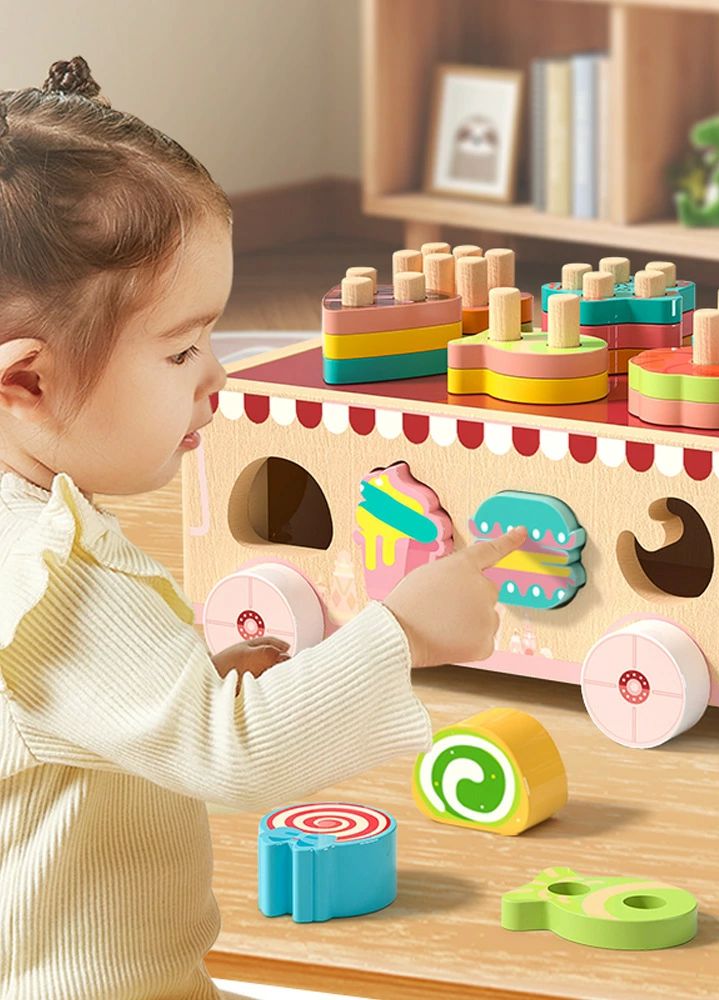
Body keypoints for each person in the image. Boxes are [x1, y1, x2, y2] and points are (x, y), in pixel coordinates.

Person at [0, 57, 526, 1000]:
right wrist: (404, 632)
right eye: (181, 349)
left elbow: (58, 715)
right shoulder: (56, 573)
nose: (217, 376)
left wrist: (194, 683)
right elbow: (235, 757)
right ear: (26, 381)